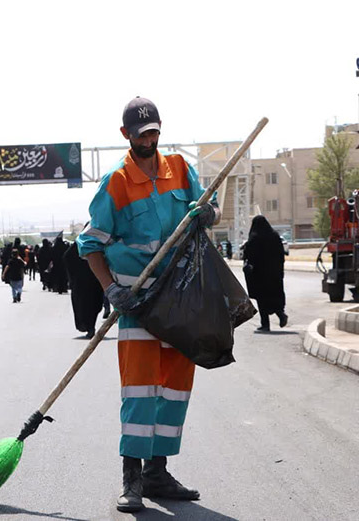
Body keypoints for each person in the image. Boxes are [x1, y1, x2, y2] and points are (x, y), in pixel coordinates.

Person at [76, 97, 220, 513]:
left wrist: (206, 214)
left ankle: (158, 472)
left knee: (175, 387)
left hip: (180, 294)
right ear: (126, 136)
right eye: (141, 135)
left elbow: (204, 210)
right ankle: (132, 478)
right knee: (139, 388)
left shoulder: (180, 169)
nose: (150, 140)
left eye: (154, 132)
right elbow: (90, 245)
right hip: (138, 298)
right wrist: (111, 290)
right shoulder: (116, 183)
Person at [243, 215, 288, 332]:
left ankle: (265, 324)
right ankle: (281, 314)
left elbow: (249, 255)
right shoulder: (274, 236)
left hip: (260, 275)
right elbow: (281, 255)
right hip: (274, 274)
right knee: (274, 296)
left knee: (262, 299)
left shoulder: (254, 237)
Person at [64, 236, 105, 338]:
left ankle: (88, 326)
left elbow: (67, 257)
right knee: (93, 304)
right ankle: (91, 326)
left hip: (81, 283)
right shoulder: (97, 244)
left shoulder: (78, 244)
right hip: (95, 279)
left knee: (85, 305)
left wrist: (73, 275)